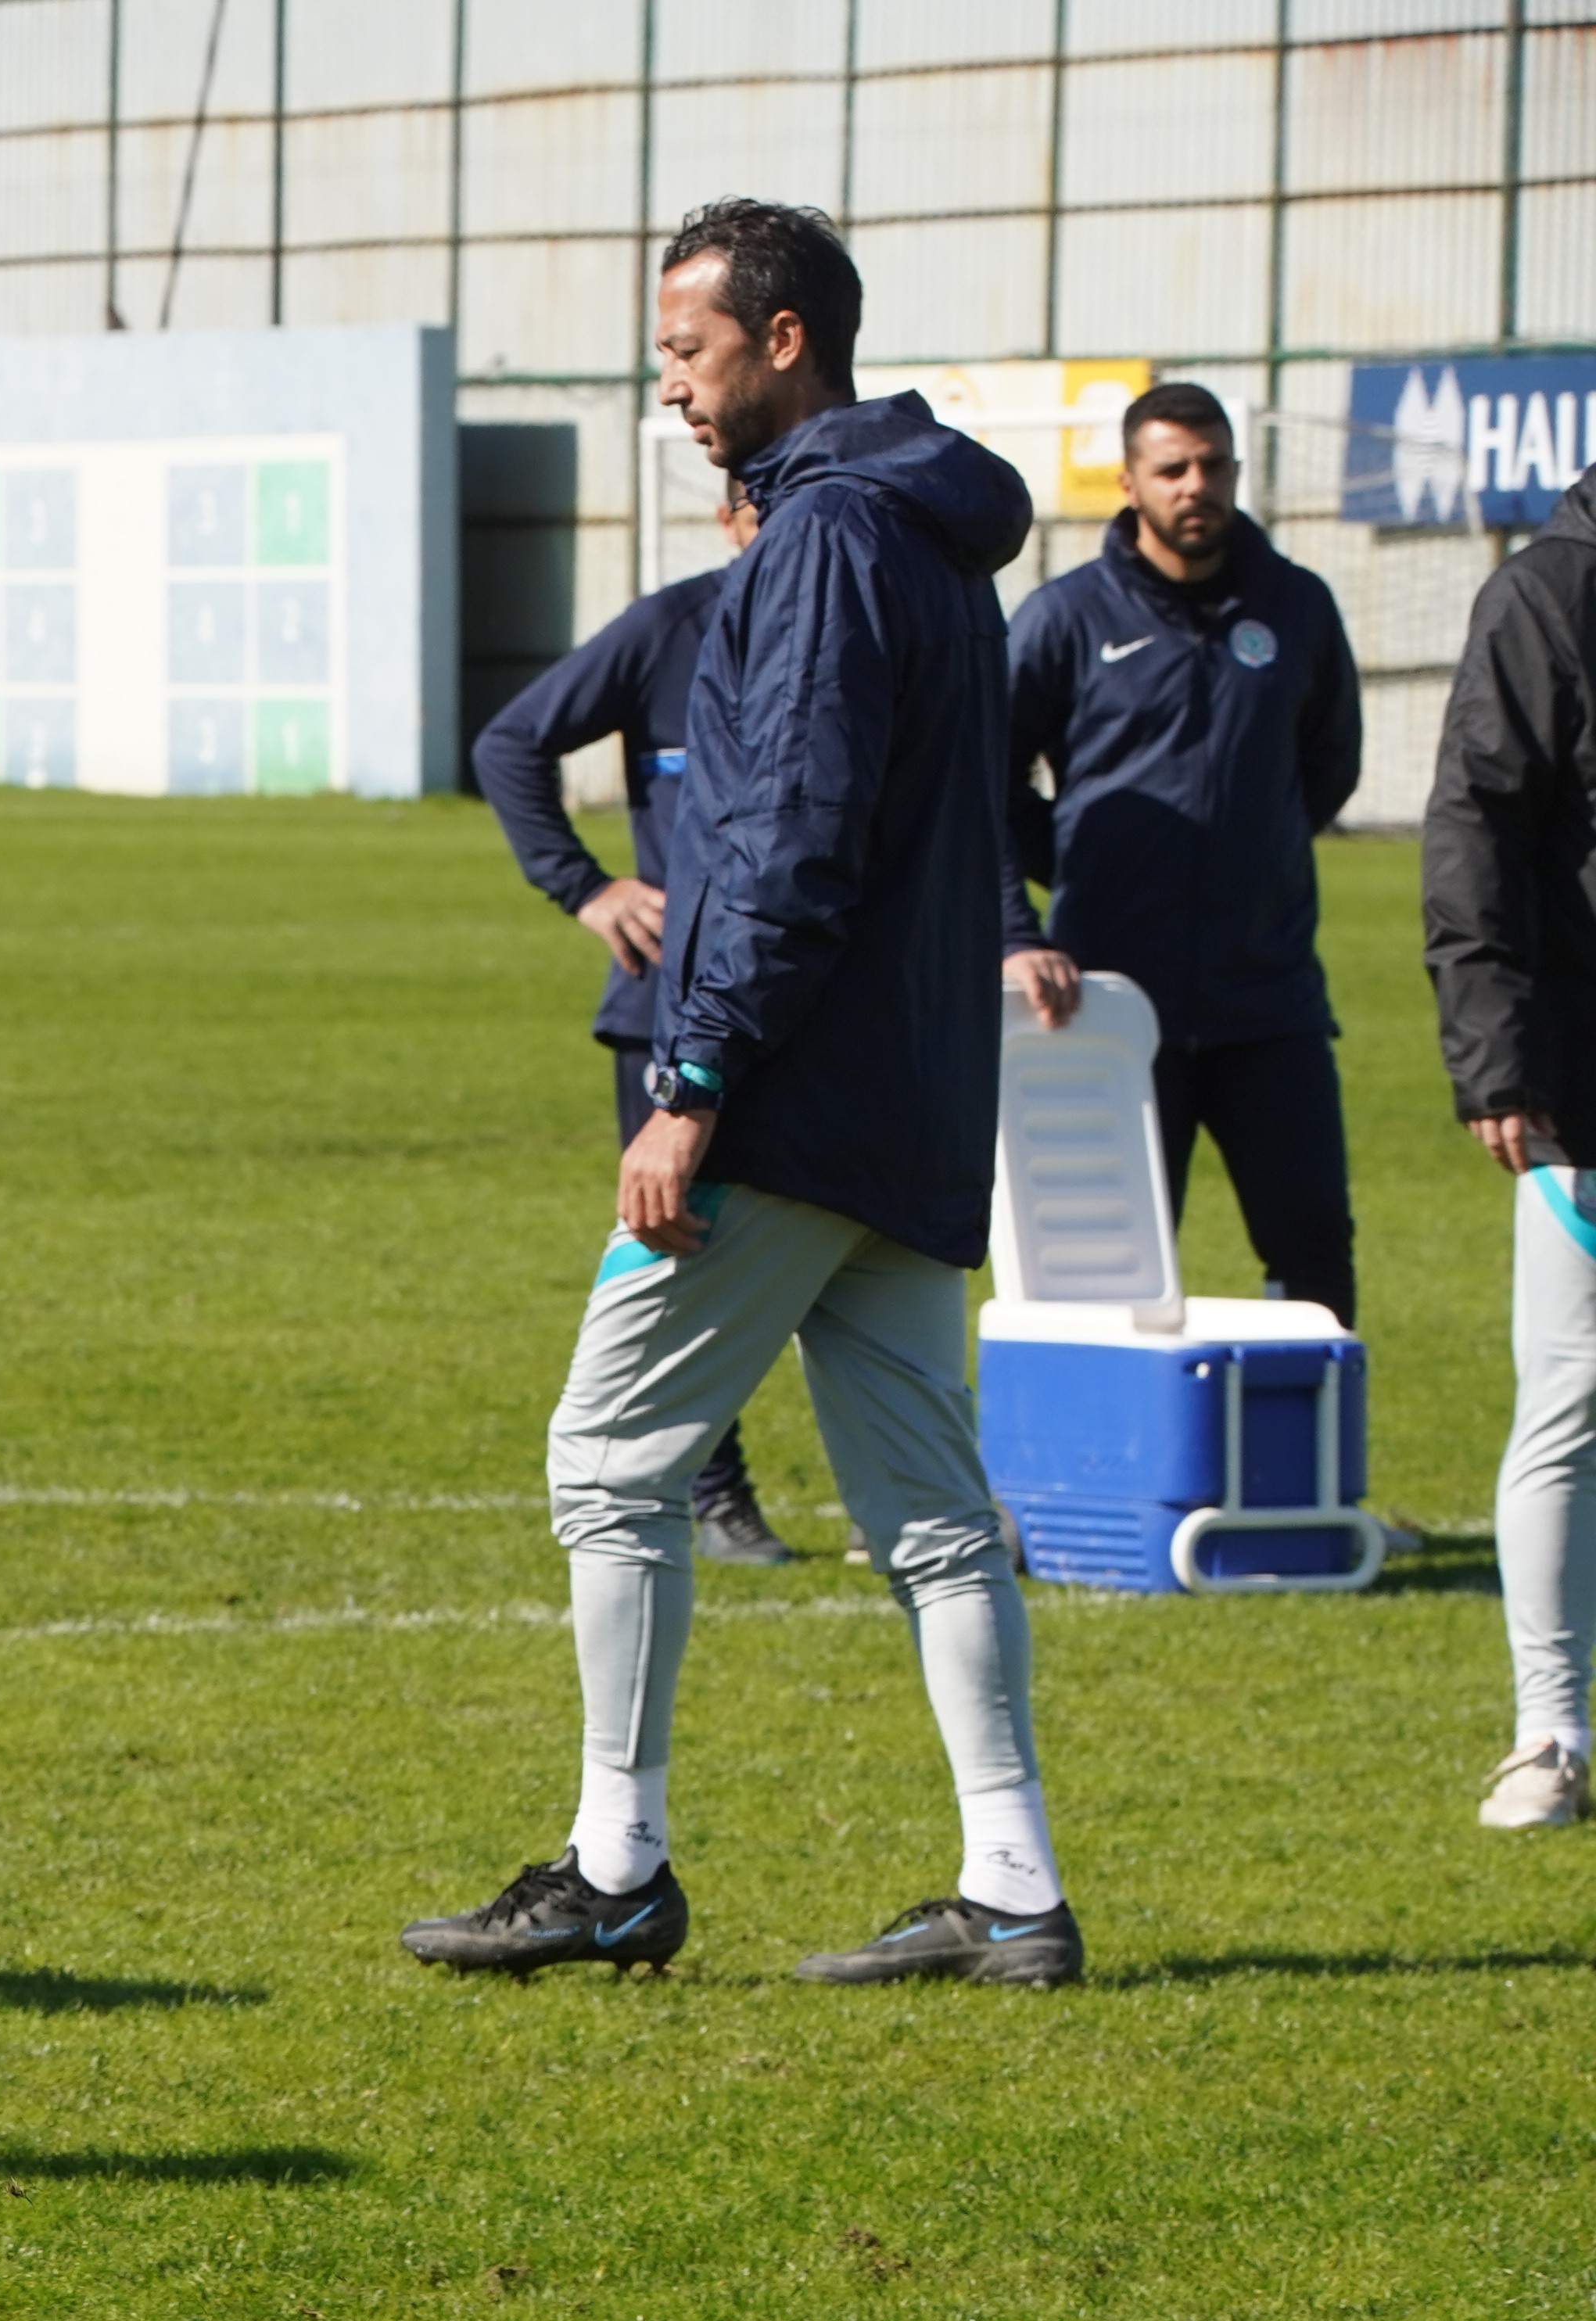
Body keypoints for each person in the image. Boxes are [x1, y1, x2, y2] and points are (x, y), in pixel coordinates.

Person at [404, 198, 1081, 1989]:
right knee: (934, 1512)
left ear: (785, 342)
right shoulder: (932, 540)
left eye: (688, 353)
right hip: (917, 1108)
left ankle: (616, 1864)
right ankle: (1012, 1886)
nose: (672, 389)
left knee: (607, 1462)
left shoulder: (828, 546)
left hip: (787, 1103)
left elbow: (787, 836)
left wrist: (690, 1083)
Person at [471, 475, 792, 1566]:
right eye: (760, 507)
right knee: (677, 1248)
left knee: (853, 1251)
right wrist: (587, 886)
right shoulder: (670, 628)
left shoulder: (849, 632)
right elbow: (509, 744)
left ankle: (907, 1496)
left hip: (812, 1008)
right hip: (667, 1008)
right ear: (730, 517)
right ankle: (711, 1490)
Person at [1001, 382, 1366, 1328]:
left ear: (1237, 471)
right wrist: (1068, 869)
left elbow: (1328, 767)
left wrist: (1256, 851)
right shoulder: (1065, 618)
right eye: (1172, 469)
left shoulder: (1298, 608)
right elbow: (978, 787)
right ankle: (1100, 1474)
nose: (1195, 485)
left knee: (1313, 1241)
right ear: (1130, 482)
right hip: (1110, 1005)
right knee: (1105, 1270)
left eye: (1213, 465)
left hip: (1269, 1000)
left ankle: (1312, 1470)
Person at [1424, 460, 1596, 1828]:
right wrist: (1498, 1057)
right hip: (1582, 1078)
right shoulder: (1545, 595)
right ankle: (1550, 1737)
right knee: (1573, 1400)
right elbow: (1476, 827)